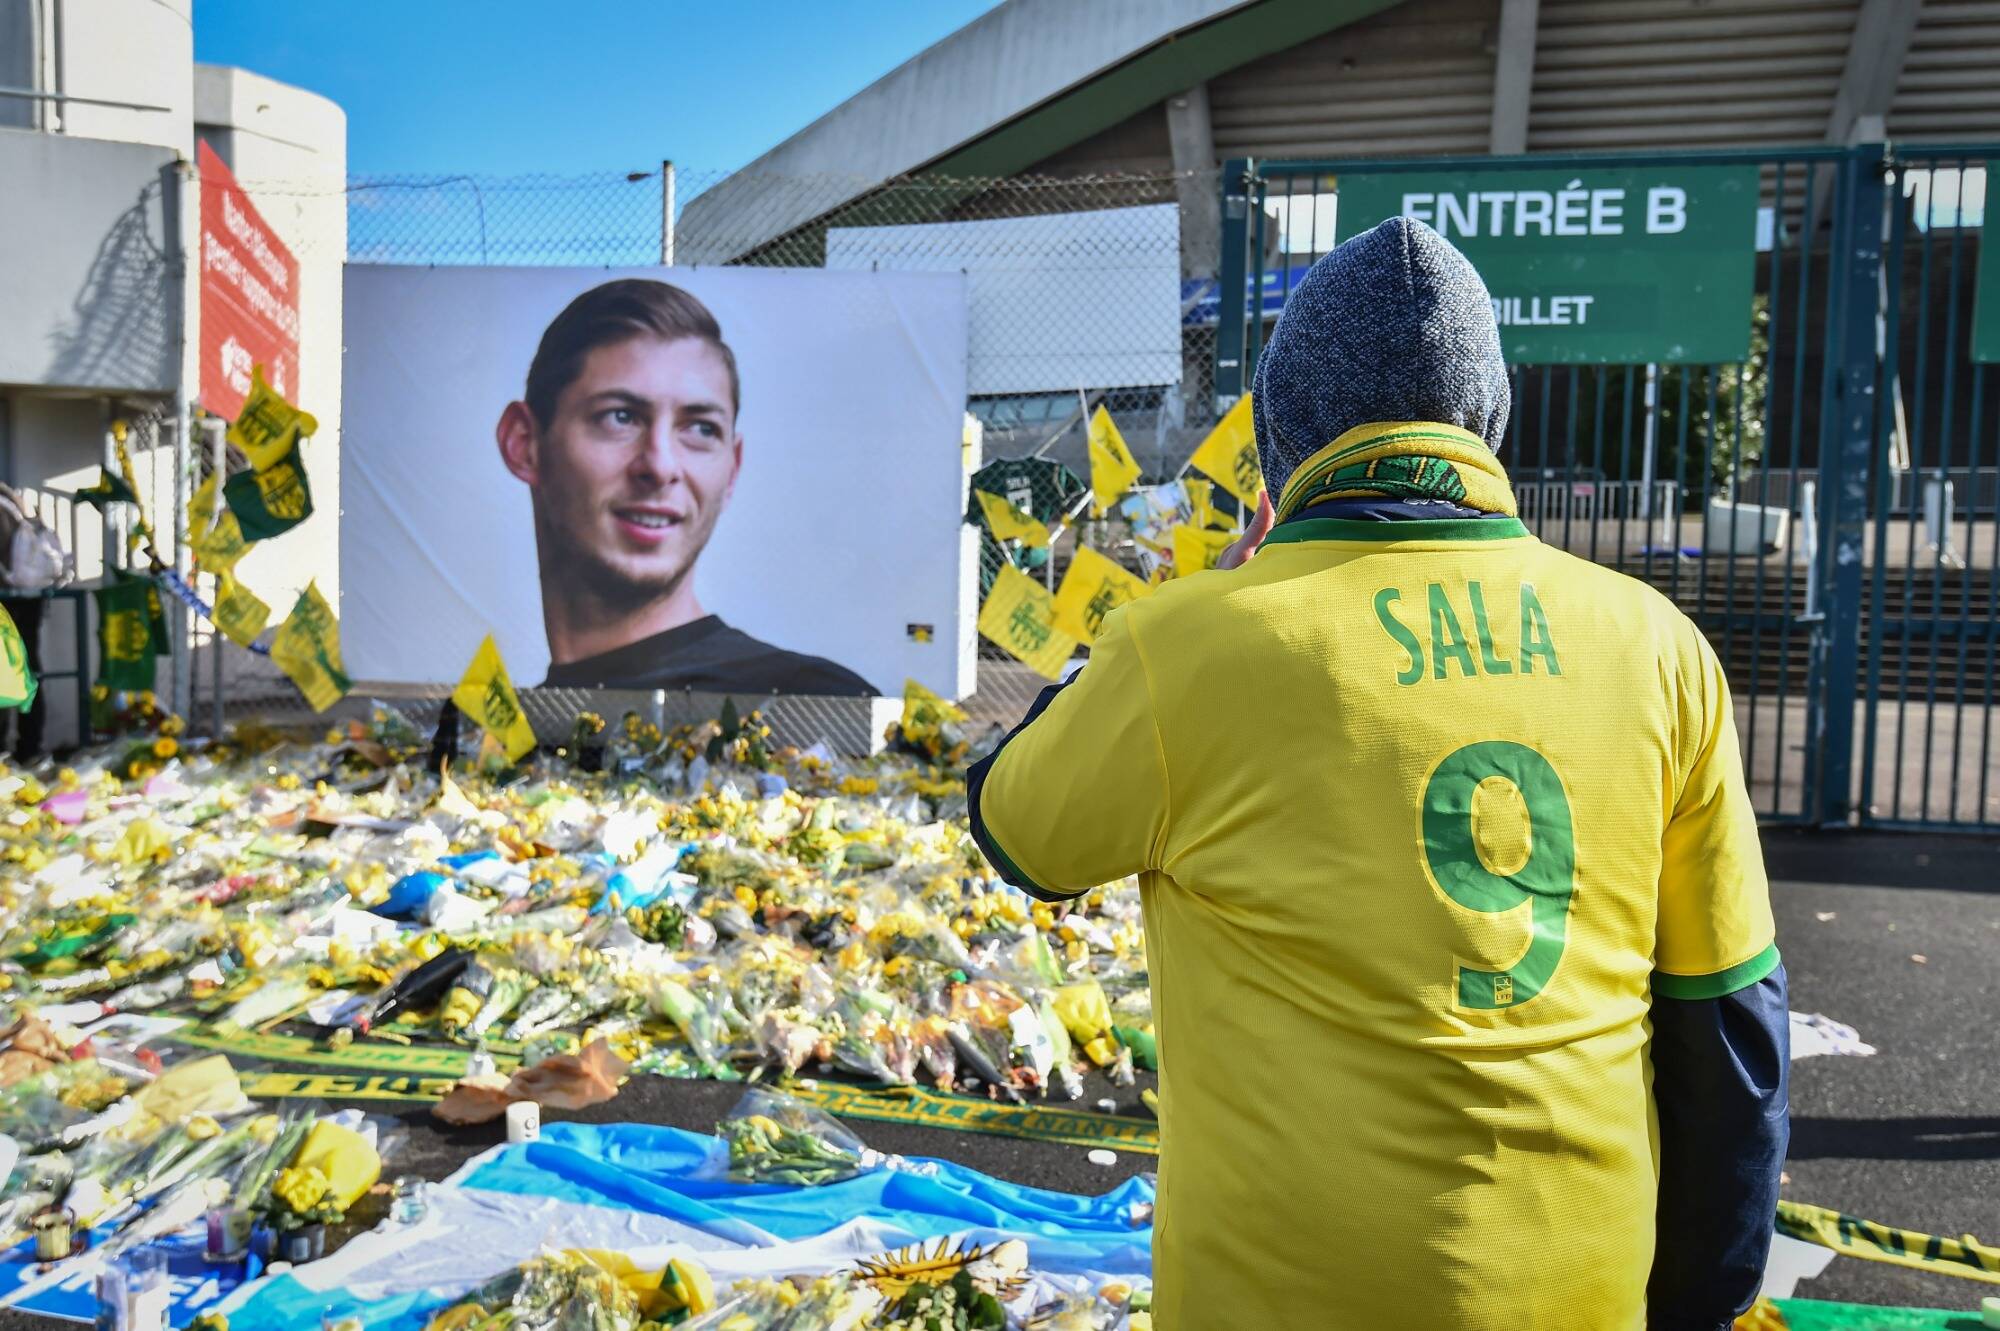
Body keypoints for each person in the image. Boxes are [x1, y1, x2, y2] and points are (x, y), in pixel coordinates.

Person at [968, 218, 1786, 1330]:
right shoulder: (1655, 644)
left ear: (1282, 426)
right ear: (1490, 416)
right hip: (1577, 1290)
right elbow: (1729, 1026)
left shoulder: (1194, 643)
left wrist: (1149, 632)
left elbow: (1021, 831)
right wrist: (1697, 1298)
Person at [497, 278, 873, 696]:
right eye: (619, 417)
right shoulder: (494, 735)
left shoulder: (814, 704)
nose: (659, 466)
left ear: (732, 469)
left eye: (700, 428)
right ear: (524, 444)